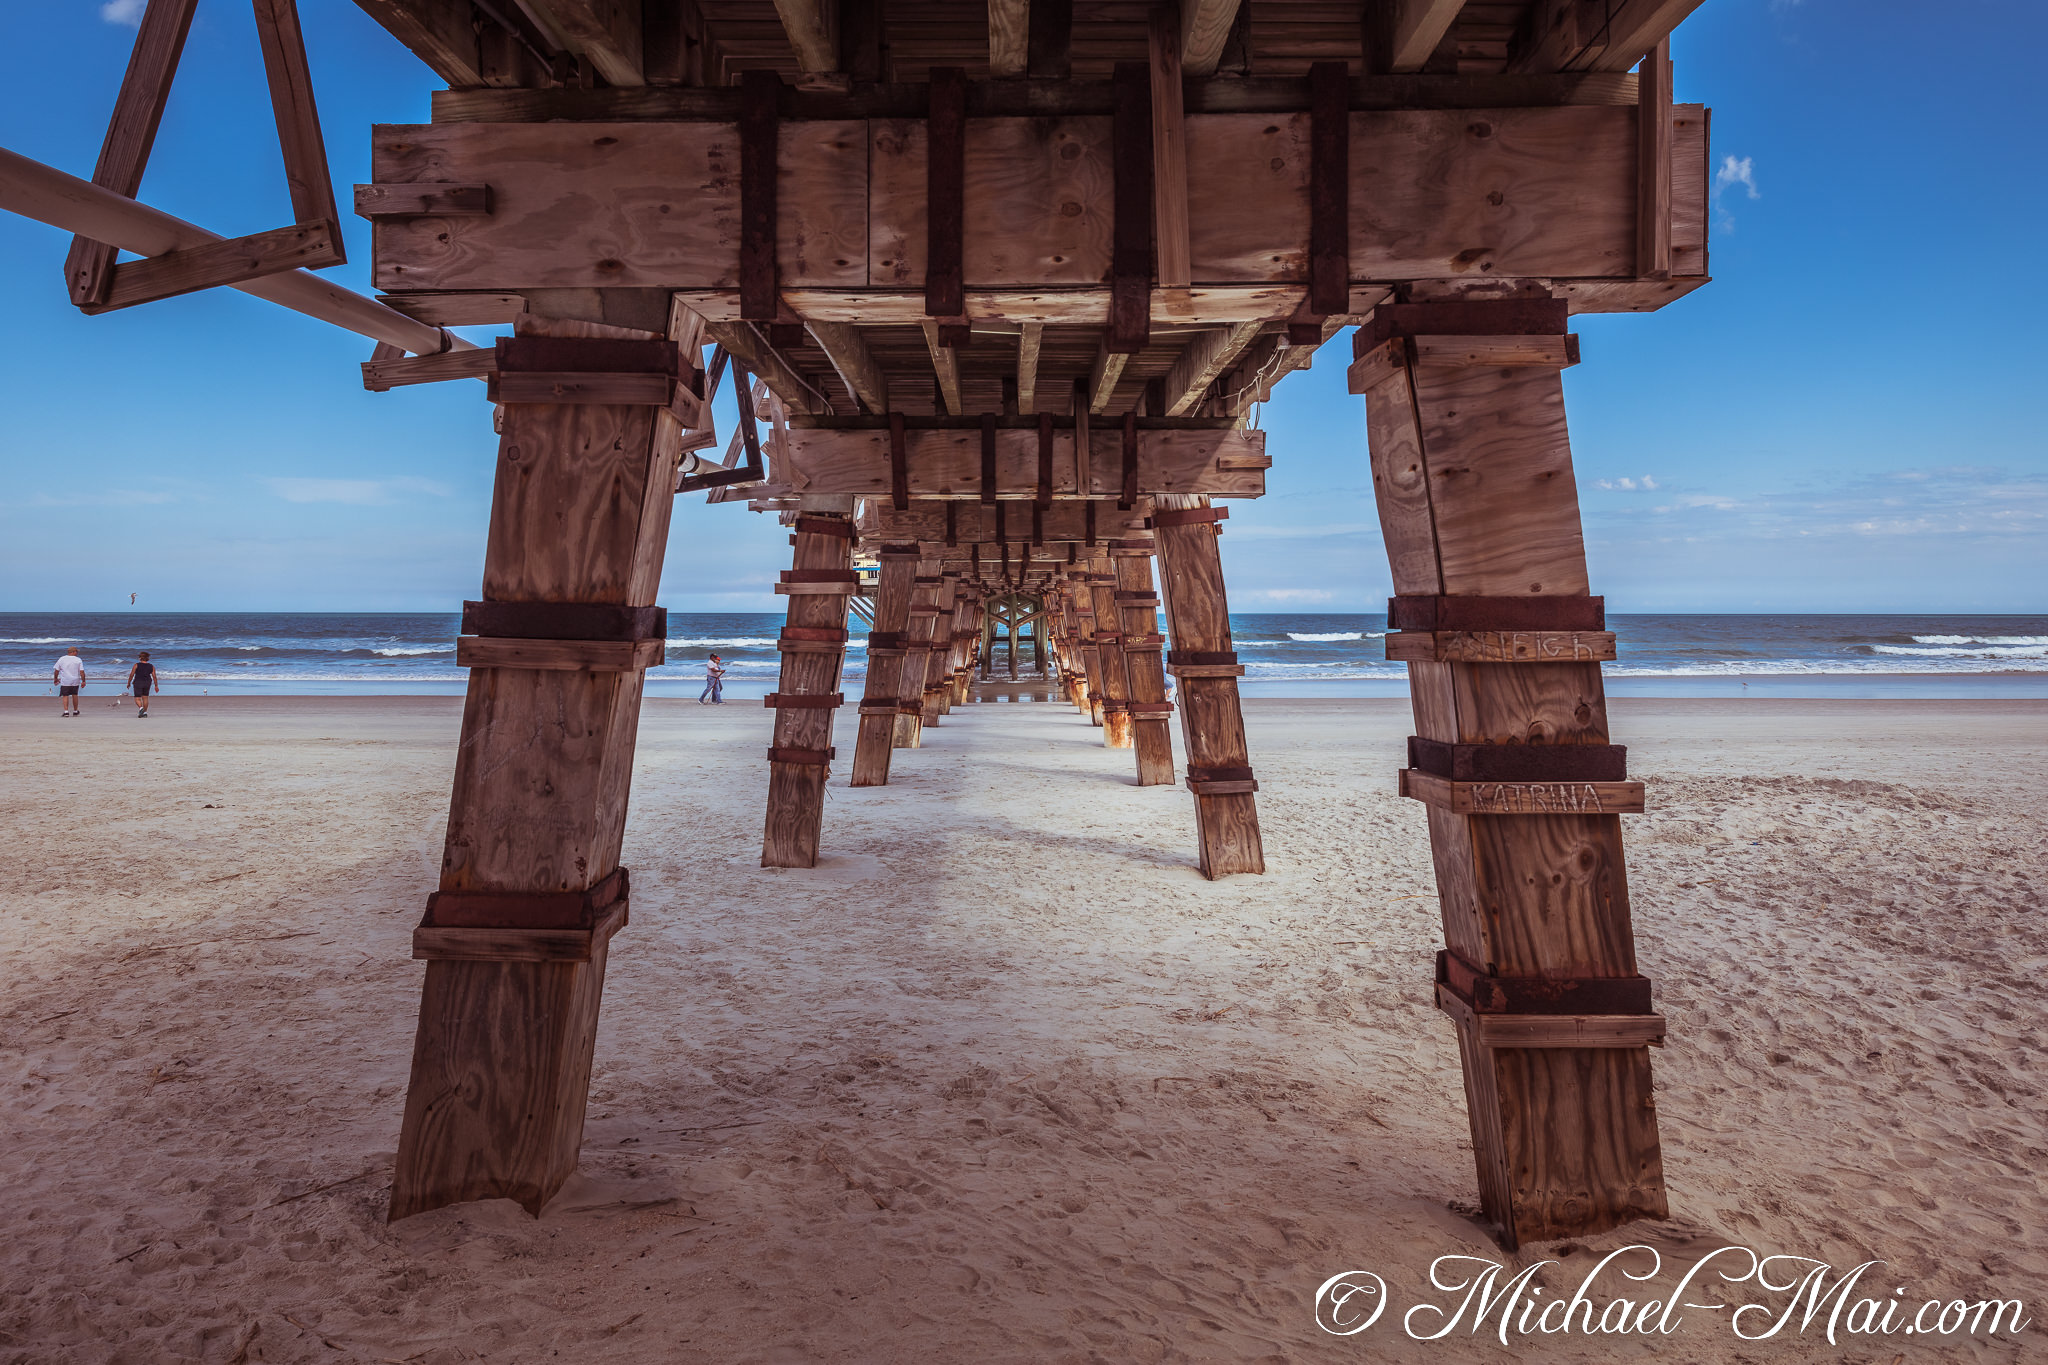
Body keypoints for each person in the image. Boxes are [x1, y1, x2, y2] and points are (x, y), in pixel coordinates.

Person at [125, 651, 160, 718]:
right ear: (147, 658)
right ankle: (145, 713)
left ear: (140, 658)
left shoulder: (136, 665)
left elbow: (131, 675)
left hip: (138, 682)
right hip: (147, 682)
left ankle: (141, 708)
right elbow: (154, 676)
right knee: (145, 698)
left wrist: (128, 683)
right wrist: (156, 685)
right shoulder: (151, 666)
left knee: (137, 698)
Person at [53, 647, 86, 717]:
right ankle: (75, 711)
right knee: (75, 694)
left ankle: (66, 712)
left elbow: (56, 670)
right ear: (73, 652)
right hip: (75, 680)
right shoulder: (78, 659)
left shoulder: (62, 659)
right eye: (76, 651)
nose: (77, 653)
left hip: (65, 680)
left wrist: (55, 678)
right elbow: (82, 672)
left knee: (65, 695)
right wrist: (83, 681)